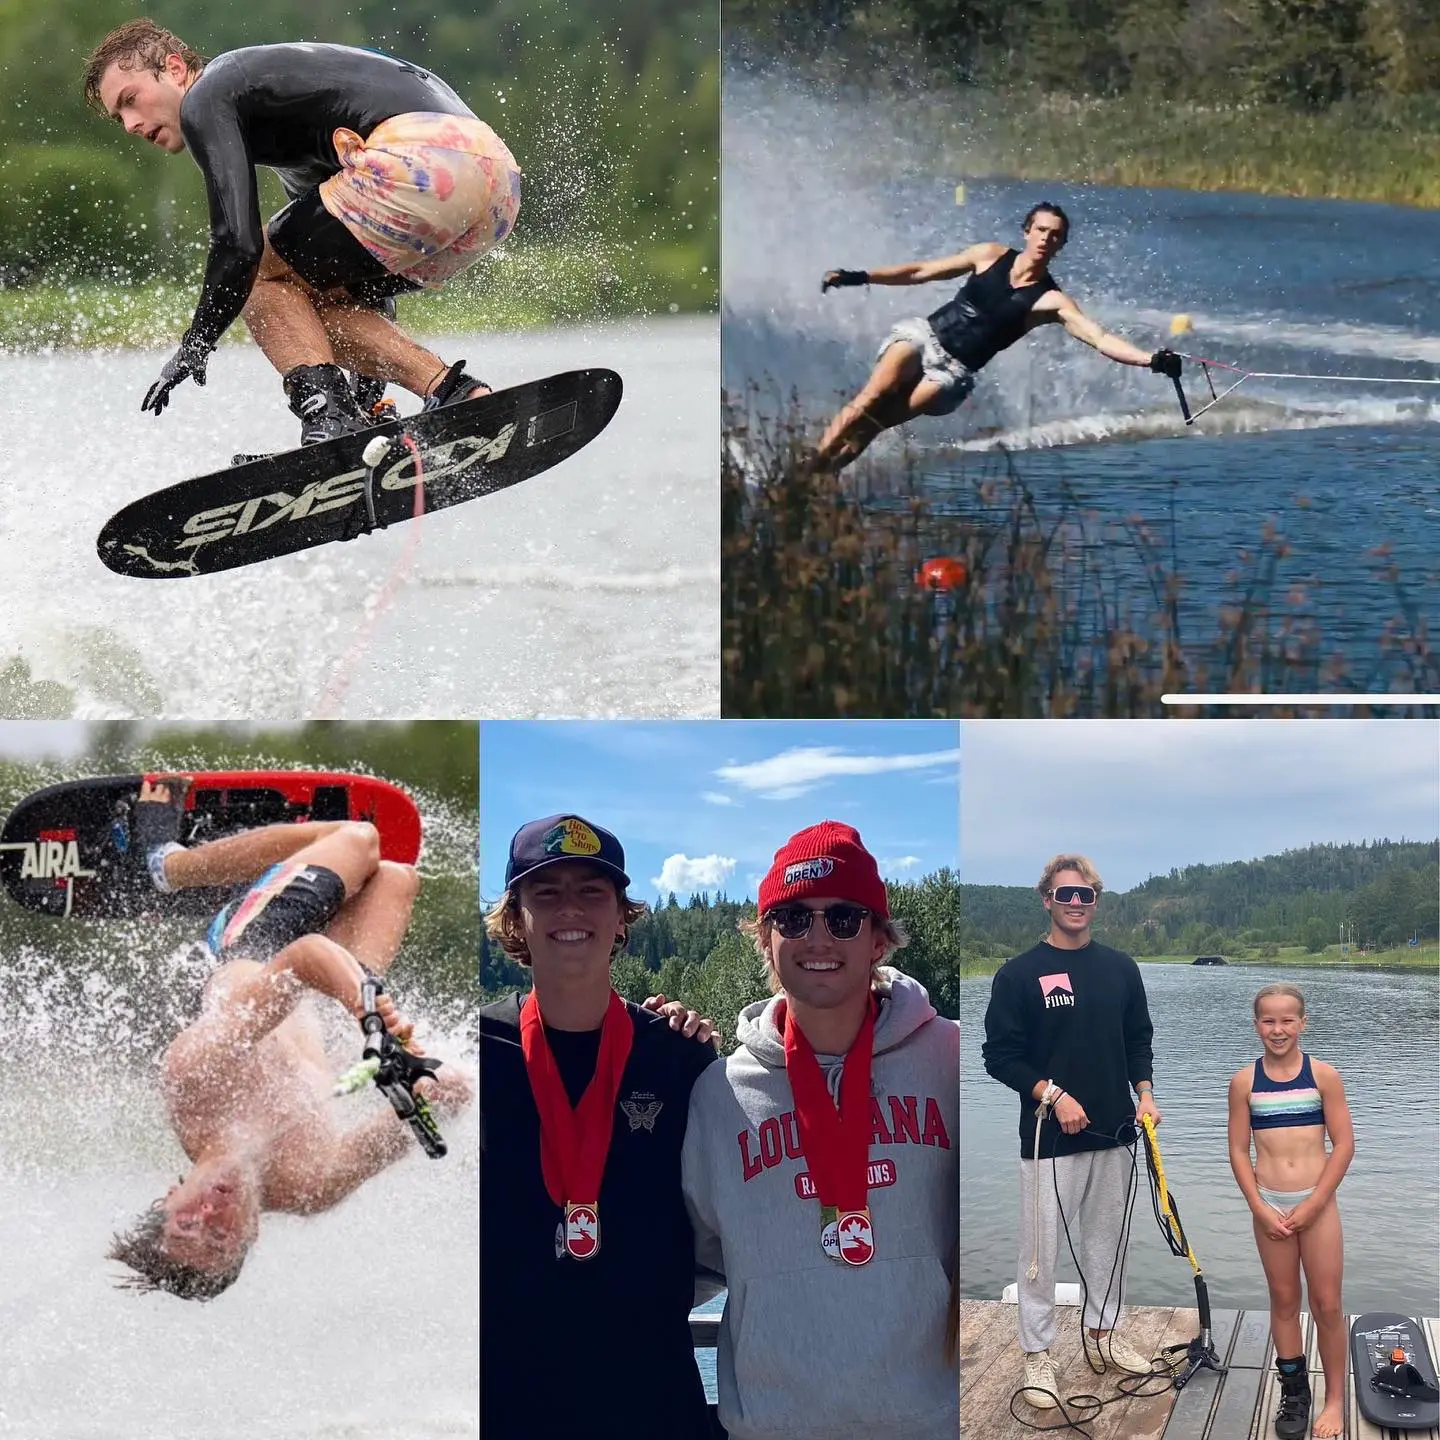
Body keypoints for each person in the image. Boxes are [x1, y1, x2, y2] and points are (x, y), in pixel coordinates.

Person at [107, 778, 471, 1299]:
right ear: (252, 1237)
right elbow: (445, 1095)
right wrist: (436, 1084)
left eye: (188, 1223)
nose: (210, 1213)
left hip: (257, 946)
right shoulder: (311, 1185)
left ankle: (165, 866)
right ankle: (277, 871)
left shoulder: (194, 1085)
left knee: (360, 837)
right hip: (333, 990)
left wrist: (373, 1018)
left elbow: (303, 958)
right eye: (218, 1237)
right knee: (393, 878)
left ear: (169, 1197)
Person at [83, 20, 522, 445]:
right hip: (494, 185)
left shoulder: (206, 95)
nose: (130, 124)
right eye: (117, 116)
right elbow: (354, 279)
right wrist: (369, 377)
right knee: (306, 297)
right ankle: (453, 392)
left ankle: (329, 417)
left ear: (175, 70)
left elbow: (238, 247)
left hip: (421, 156)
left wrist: (197, 343)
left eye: (130, 99)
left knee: (257, 277)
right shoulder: (292, 122)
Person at [681, 820, 960, 1440]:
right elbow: (695, 1258)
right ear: (765, 939)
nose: (818, 937)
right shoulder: (718, 1094)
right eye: (793, 918)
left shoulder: (951, 1061)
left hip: (931, 1421)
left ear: (879, 940)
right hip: (773, 1426)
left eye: (843, 917)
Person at [480, 814, 721, 1440]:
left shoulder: (682, 1058)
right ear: (516, 920)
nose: (571, 909)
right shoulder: (469, 1052)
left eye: (592, 891)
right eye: (546, 892)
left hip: (654, 1399)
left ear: (622, 918)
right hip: (508, 1400)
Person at [981, 853, 1159, 1409]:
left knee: (1108, 1245)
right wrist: (1053, 1096)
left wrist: (1146, 1096)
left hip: (1115, 1134)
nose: (1076, 904)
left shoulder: (1121, 969)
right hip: (1049, 1140)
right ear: (1047, 900)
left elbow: (1138, 1039)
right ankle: (1038, 1354)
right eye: (1066, 895)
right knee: (1041, 1254)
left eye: (1086, 895)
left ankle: (1102, 1339)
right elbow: (999, 1057)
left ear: (1095, 902)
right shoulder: (1018, 974)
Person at [814, 202, 1183, 470]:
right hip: (925, 336)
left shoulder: (1051, 300)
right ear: (1027, 231)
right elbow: (920, 271)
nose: (1046, 239)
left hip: (951, 373)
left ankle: (822, 477)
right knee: (873, 396)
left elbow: (1100, 339)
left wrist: (1151, 359)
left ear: (1061, 245)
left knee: (878, 421)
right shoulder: (988, 255)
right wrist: (860, 276)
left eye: (1055, 236)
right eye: (1041, 230)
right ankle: (810, 464)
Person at [1227, 984, 1354, 1440]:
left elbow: (1343, 1145)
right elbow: (1239, 1152)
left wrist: (1316, 1201)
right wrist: (1258, 1206)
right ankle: (1295, 1393)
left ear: (1302, 1022)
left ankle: (1336, 1399)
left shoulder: (1323, 1076)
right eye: (1268, 1021)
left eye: (1287, 1020)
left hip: (1316, 1204)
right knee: (1284, 1300)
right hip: (1270, 1207)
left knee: (1327, 1302)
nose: (1277, 1030)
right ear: (1256, 1024)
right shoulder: (1244, 1082)